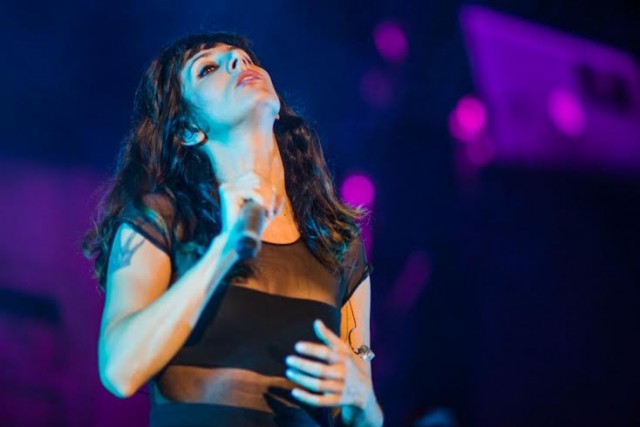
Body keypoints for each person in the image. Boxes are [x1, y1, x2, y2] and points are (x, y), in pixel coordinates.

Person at [83, 32, 384, 427]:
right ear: (188, 129)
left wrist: (365, 403)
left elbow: (358, 411)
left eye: (244, 57)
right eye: (208, 68)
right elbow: (120, 371)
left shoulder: (337, 243)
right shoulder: (162, 219)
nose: (237, 62)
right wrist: (224, 251)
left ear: (277, 111)